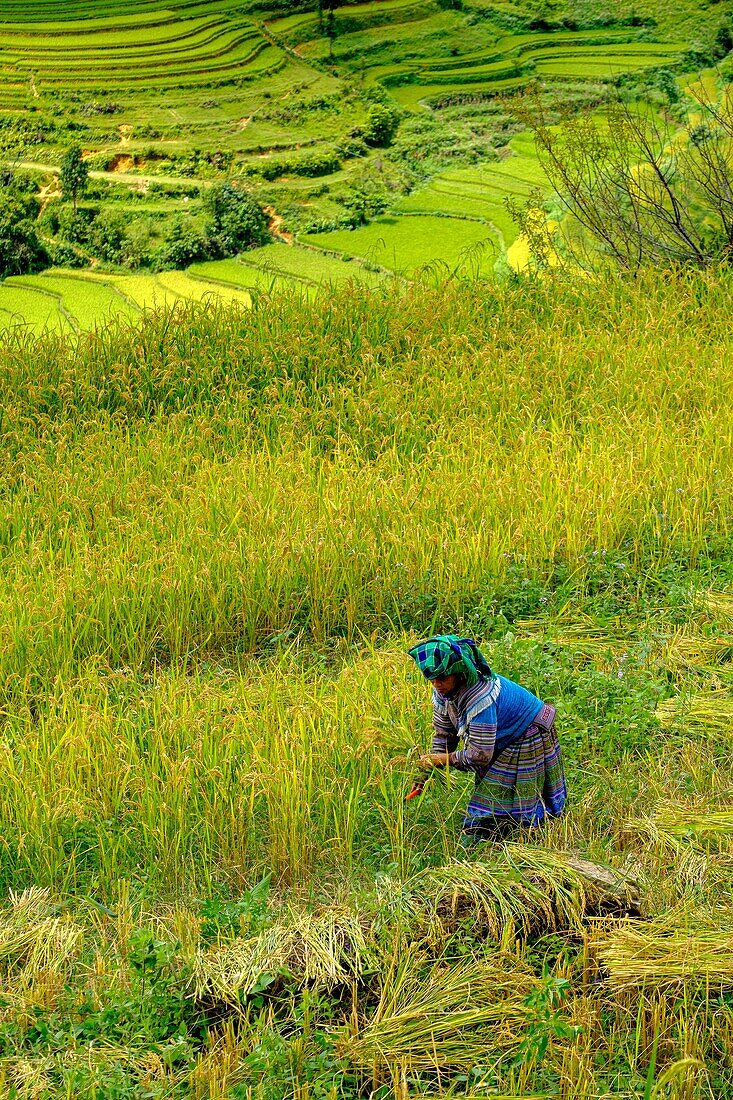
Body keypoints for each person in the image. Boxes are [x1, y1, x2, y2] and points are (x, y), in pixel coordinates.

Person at [408, 634, 567, 838]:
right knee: (494, 802)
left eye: (442, 678)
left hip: (527, 733)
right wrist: (425, 771)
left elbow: (480, 755)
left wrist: (443, 760)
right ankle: (501, 832)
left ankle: (528, 834)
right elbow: (444, 736)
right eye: (431, 679)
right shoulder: (444, 695)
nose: (437, 684)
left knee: (519, 804)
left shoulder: (481, 697)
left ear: (458, 672)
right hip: (499, 739)